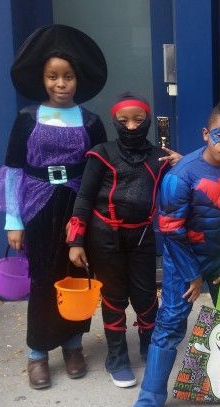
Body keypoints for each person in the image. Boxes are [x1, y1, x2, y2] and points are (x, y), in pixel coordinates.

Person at [127, 100, 220, 407]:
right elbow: (170, 231)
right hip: (183, 260)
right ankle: (152, 394)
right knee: (171, 322)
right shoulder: (182, 175)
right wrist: (191, 274)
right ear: (206, 134)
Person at [0, 24, 107, 390]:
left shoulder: (91, 121)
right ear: (42, 79)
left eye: (67, 76)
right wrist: (13, 220)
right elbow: (13, 171)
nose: (60, 84)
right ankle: (37, 352)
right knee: (42, 280)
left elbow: (100, 171)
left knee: (73, 276)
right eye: (52, 76)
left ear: (78, 79)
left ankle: (72, 345)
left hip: (76, 206)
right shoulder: (27, 119)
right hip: (37, 205)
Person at [66, 93, 181, 388]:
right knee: (114, 296)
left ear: (149, 121)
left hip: (142, 234)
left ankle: (148, 345)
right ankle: (116, 356)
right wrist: (76, 241)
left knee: (145, 295)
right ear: (115, 122)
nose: (131, 126)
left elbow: (191, 177)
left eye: (138, 120)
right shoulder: (101, 153)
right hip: (104, 236)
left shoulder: (161, 157)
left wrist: (182, 163)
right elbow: (84, 197)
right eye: (124, 120)